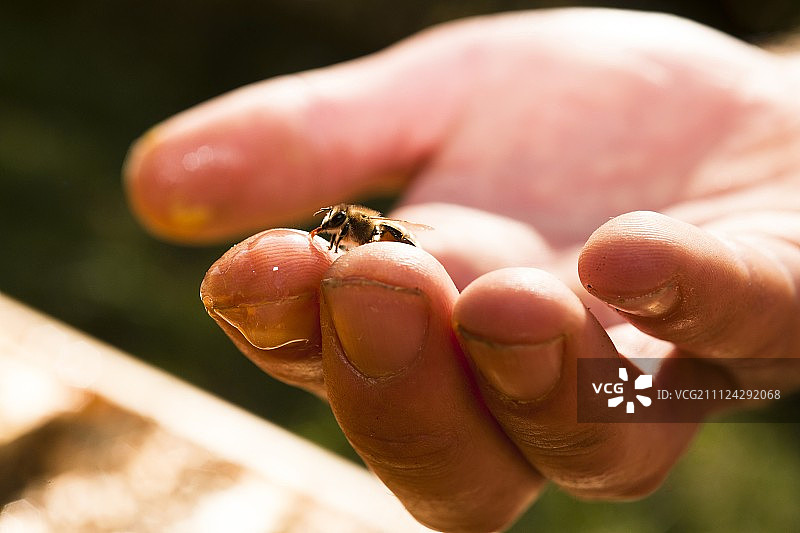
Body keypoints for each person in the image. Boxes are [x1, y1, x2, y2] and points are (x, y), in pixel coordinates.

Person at [123, 8, 800, 532]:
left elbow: (358, 237)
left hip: (402, 251)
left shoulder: (361, 229)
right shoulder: (352, 228)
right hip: (404, 259)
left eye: (334, 225)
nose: (330, 229)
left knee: (435, 309)